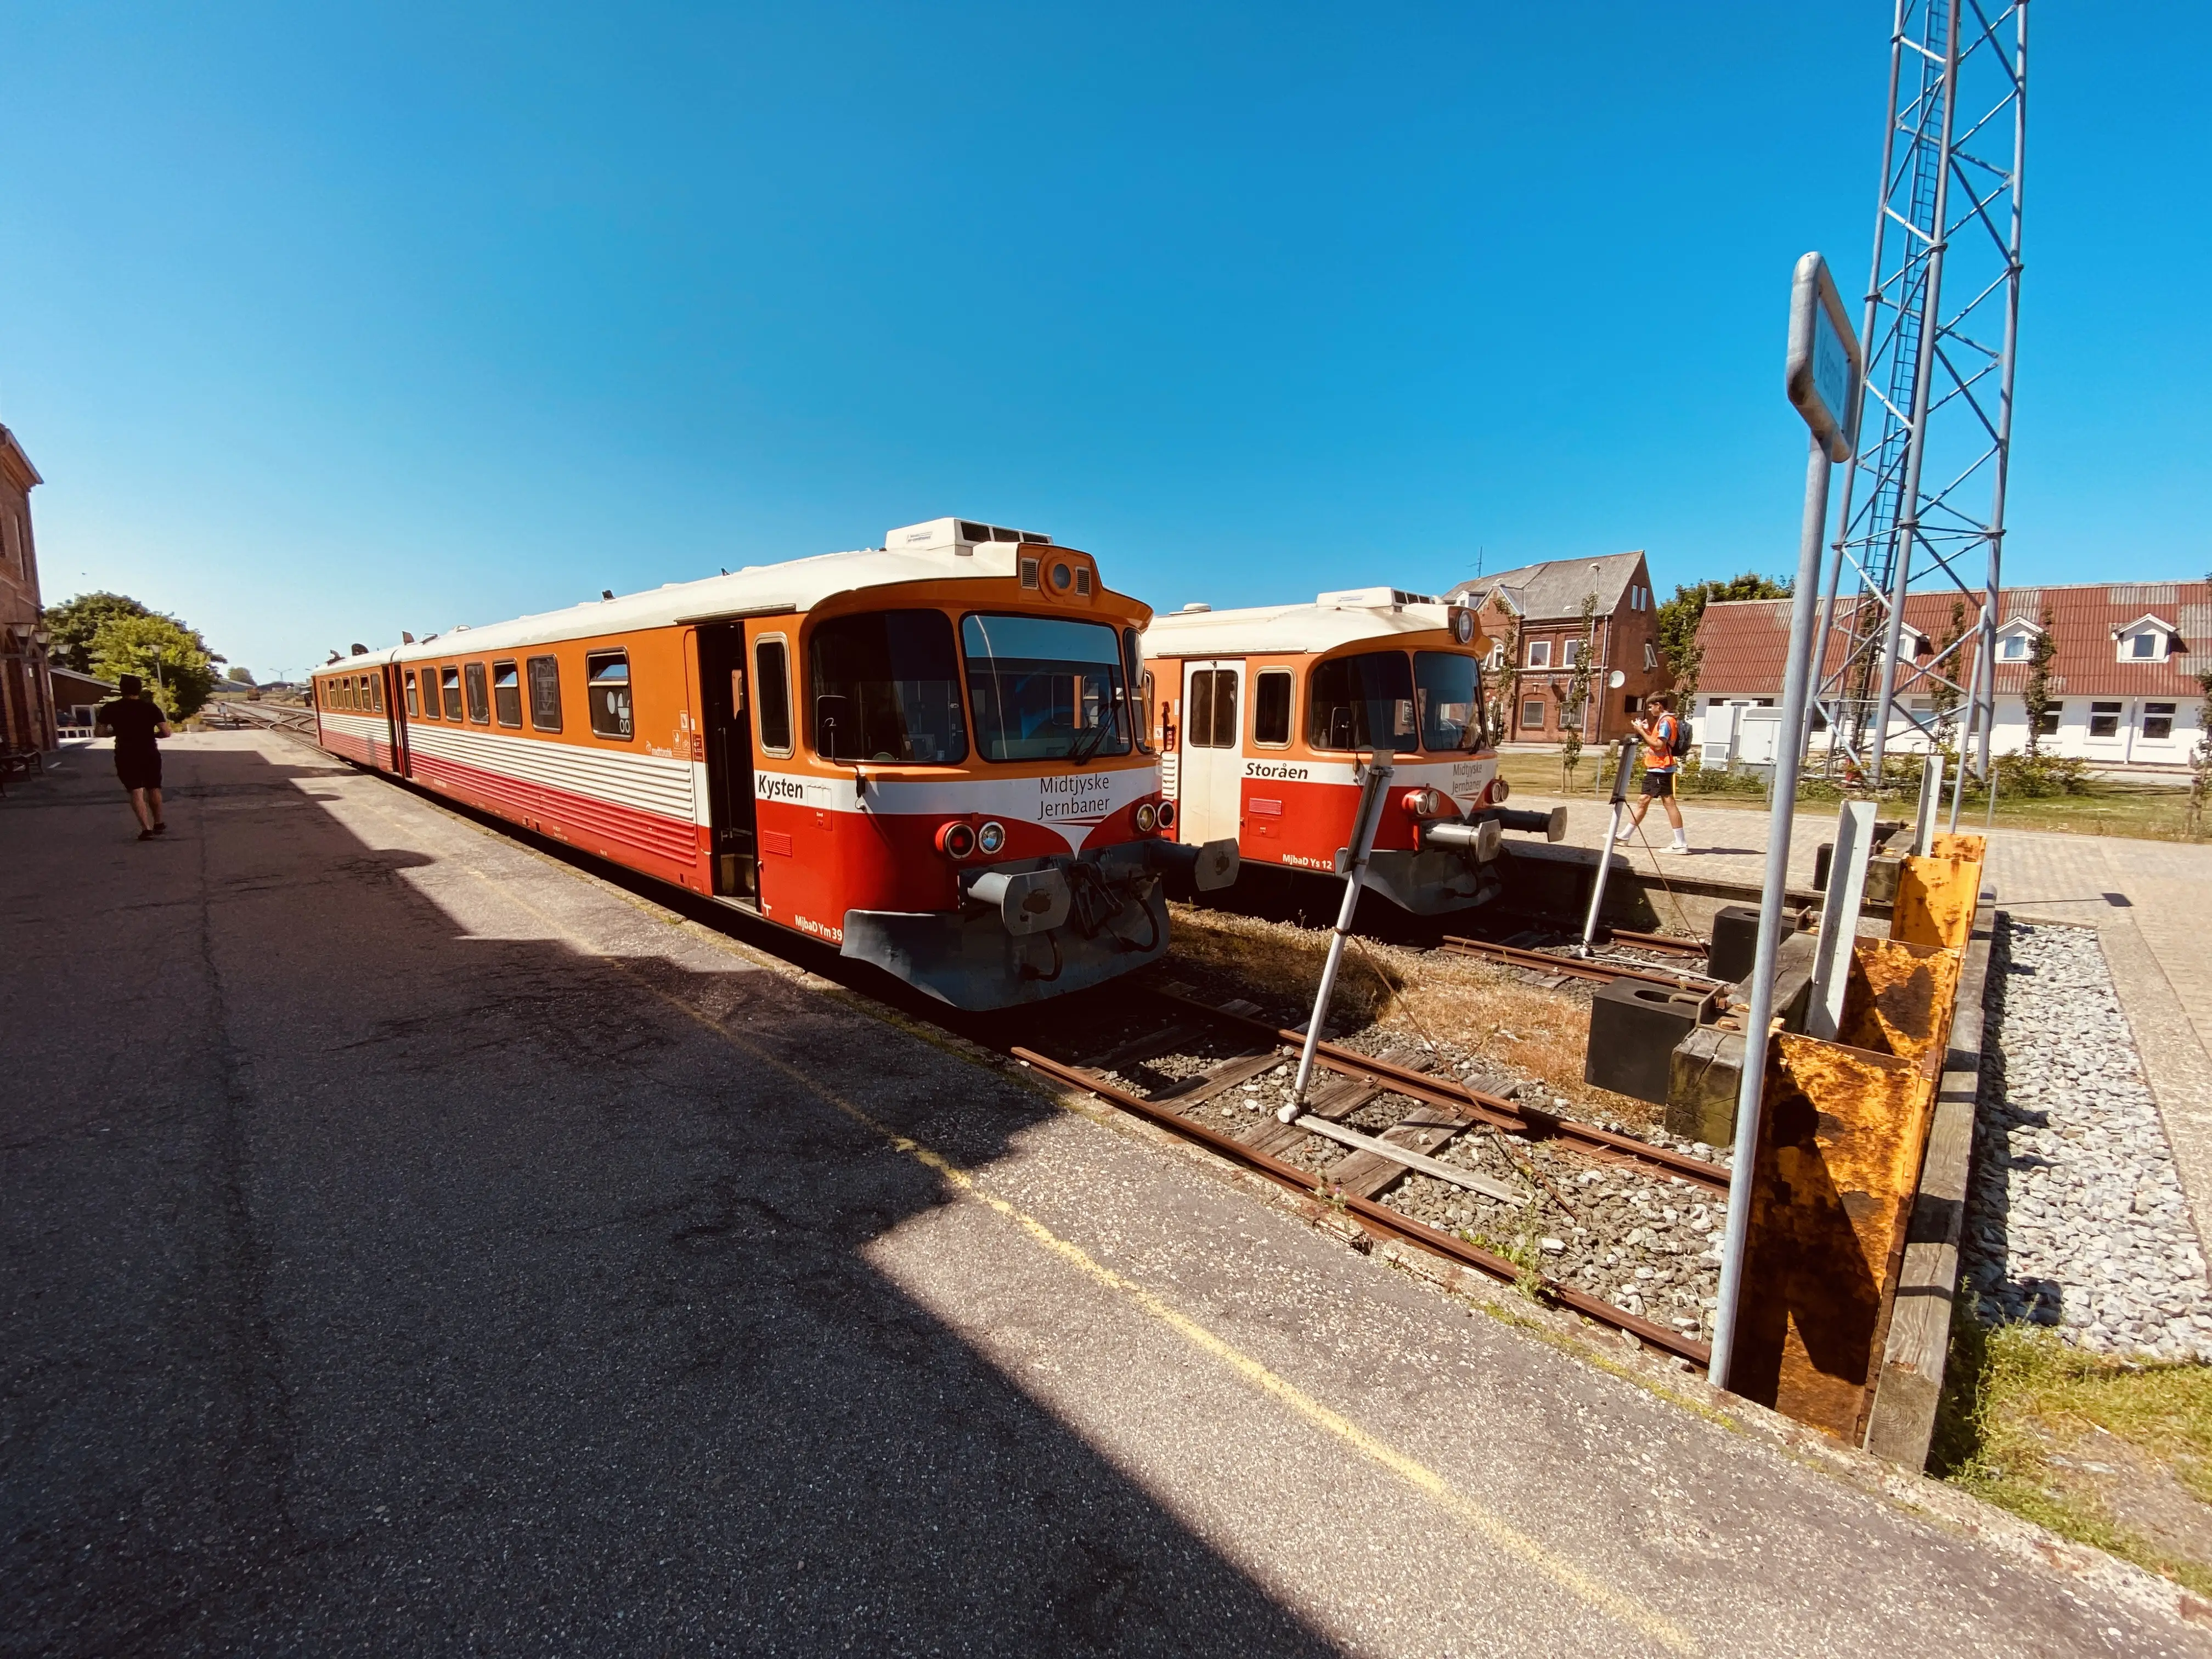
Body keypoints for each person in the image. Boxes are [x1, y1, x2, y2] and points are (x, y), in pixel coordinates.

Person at [95, 674, 172, 840]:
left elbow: (100, 732)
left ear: (121, 690)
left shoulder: (110, 708)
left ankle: (146, 829)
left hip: (126, 753)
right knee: (154, 787)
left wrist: (117, 732)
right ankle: (159, 822)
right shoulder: (150, 708)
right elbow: (166, 732)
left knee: (136, 790)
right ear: (140, 689)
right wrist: (153, 735)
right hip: (149, 752)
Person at [1618, 691, 1689, 854]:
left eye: (1651, 706)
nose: (1650, 709)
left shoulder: (1666, 722)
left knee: (1668, 802)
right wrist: (1647, 731)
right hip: (1658, 768)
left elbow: (1659, 745)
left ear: (1659, 706)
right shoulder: (1665, 721)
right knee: (1644, 800)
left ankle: (1681, 843)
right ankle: (1625, 836)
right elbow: (1660, 743)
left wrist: (1640, 731)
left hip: (1661, 768)